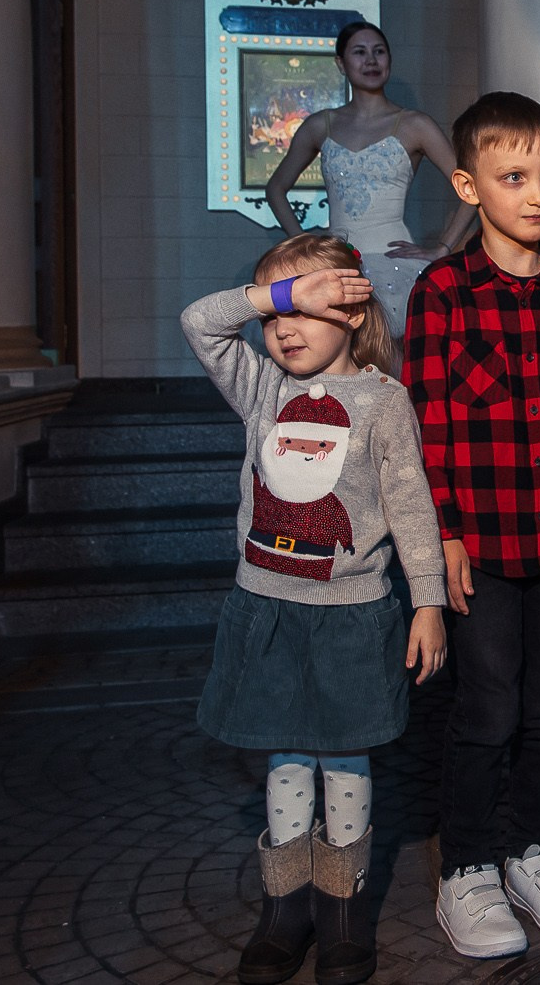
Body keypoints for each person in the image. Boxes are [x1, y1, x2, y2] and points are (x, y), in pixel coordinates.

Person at [183, 232, 448, 985]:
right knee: (287, 758)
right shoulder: (261, 387)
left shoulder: (382, 400)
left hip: (353, 616)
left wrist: (427, 600)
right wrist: (282, 294)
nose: (285, 329)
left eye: (308, 306)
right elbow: (200, 321)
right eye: (275, 315)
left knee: (345, 760)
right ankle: (285, 908)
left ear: (354, 310)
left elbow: (410, 506)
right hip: (266, 610)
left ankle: (339, 912)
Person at [402, 92, 540, 959]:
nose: (537, 194)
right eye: (514, 176)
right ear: (468, 183)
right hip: (480, 544)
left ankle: (535, 846)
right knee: (486, 706)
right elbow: (430, 424)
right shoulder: (443, 290)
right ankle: (467, 865)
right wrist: (443, 533)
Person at [266, 21, 477, 337]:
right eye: (359, 52)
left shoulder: (414, 124)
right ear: (341, 63)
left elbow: (471, 187)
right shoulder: (321, 125)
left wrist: (442, 249)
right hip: (335, 263)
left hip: (396, 266)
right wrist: (305, 246)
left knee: (394, 364)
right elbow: (276, 189)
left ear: (389, 60)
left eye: (379, 52)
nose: (371, 60)